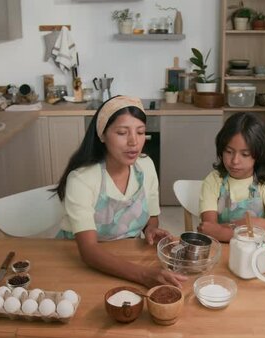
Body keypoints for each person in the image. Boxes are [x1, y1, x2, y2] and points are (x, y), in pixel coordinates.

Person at [54, 95, 187, 288]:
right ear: (102, 135)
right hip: (81, 262)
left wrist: (150, 229)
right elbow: (89, 251)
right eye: (122, 133)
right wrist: (143, 276)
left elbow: (151, 216)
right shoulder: (82, 179)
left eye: (140, 132)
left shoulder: (146, 166)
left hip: (128, 258)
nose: (134, 142)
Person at [197, 112, 265, 248]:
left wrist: (224, 231)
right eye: (229, 152)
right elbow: (208, 231)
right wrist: (256, 224)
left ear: (259, 154)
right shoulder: (213, 181)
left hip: (257, 258)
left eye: (245, 154)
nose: (235, 161)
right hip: (222, 253)